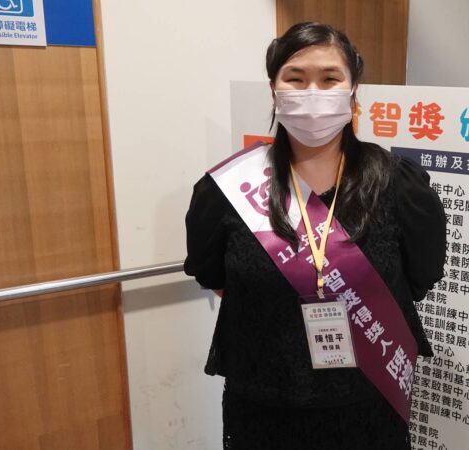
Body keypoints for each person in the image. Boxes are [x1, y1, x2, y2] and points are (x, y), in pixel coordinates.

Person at [184, 22, 446, 449]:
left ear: (353, 90)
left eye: (329, 79)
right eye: (295, 78)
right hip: (262, 406)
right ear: (274, 91)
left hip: (368, 404)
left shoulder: (400, 186)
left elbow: (420, 278)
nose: (312, 93)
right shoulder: (226, 190)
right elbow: (211, 274)